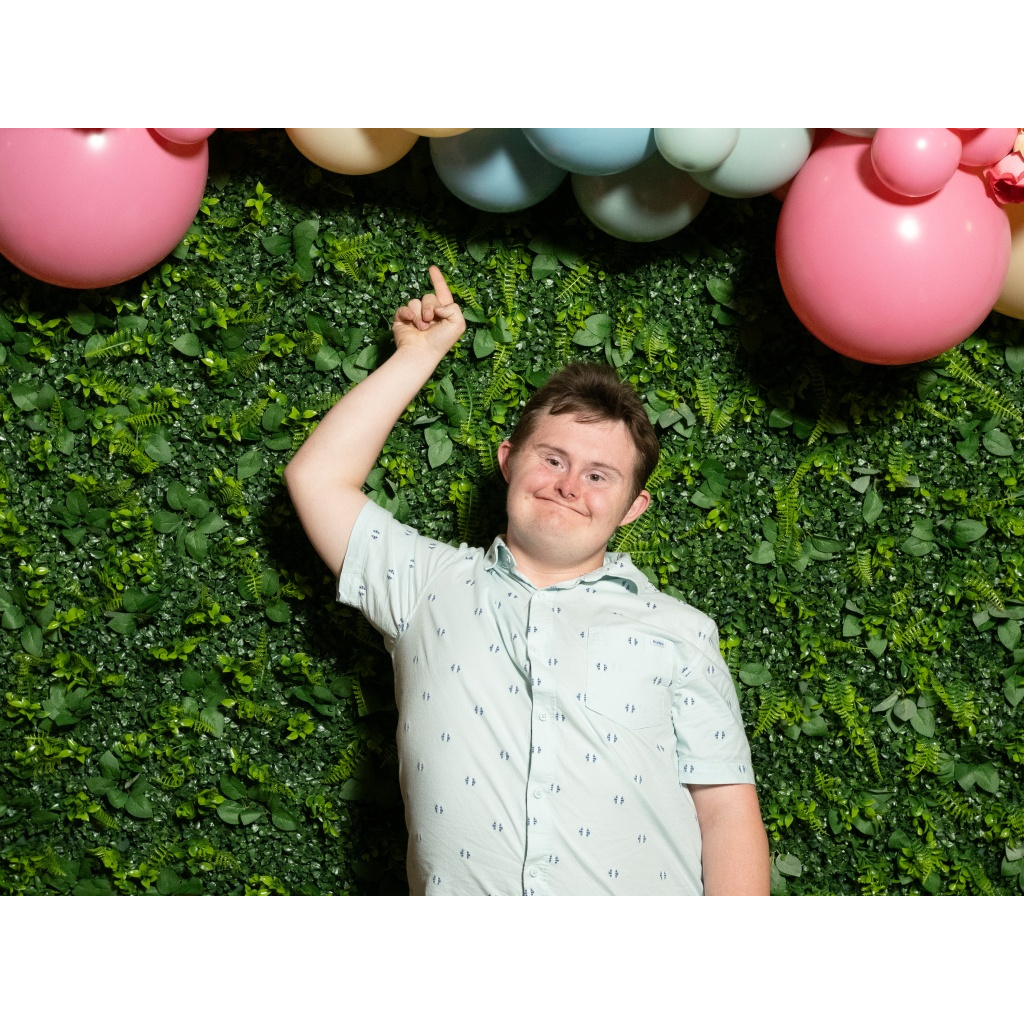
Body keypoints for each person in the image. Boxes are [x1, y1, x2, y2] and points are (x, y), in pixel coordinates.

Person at [285, 266, 770, 896]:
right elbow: (317, 478)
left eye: (599, 476)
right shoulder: (424, 585)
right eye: (553, 458)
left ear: (632, 508)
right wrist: (419, 354)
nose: (569, 485)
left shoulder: (681, 631)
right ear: (509, 461)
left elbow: (727, 810)